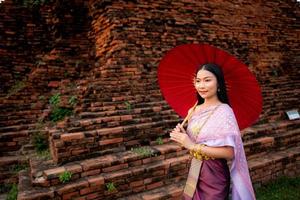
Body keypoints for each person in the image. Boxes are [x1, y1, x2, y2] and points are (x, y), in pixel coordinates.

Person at [170, 63, 256, 200]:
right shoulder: (193, 110)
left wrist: (191, 145)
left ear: (219, 83)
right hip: (194, 168)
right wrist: (183, 137)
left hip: (214, 174)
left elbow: (229, 153)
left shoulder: (224, 111)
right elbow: (194, 142)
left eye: (207, 80)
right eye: (198, 81)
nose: (201, 86)